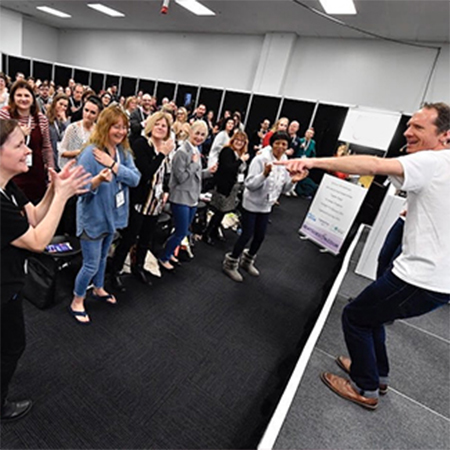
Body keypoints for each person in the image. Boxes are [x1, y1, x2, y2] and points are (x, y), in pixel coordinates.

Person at [278, 102, 450, 410]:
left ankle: (366, 387)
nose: (408, 132)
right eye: (409, 125)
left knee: (355, 316)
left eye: (419, 128)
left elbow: (373, 164)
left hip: (420, 277)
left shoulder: (432, 161)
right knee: (375, 316)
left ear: (445, 137)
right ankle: (376, 373)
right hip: (437, 281)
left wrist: (313, 161)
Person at [0, 118, 90, 422]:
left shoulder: (7, 187)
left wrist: (54, 189)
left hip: (9, 283)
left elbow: (35, 217)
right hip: (3, 289)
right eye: (19, 145)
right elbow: (38, 241)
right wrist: (63, 197)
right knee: (12, 347)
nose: (28, 150)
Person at [70, 106, 141, 324]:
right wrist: (98, 180)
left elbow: (135, 179)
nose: (120, 132)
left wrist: (113, 165)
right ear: (105, 127)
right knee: (90, 263)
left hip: (112, 217)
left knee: (102, 258)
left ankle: (98, 288)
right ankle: (76, 301)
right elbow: (79, 188)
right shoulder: (90, 153)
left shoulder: (123, 153)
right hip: (92, 217)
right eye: (115, 127)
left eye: (123, 127)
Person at [222, 131, 306, 282]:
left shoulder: (285, 162)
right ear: (271, 144)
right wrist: (264, 175)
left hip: (267, 205)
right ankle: (230, 263)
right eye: (277, 143)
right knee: (247, 234)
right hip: (251, 204)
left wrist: (294, 180)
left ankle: (247, 261)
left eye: (284, 144)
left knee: (260, 236)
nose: (280, 147)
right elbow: (249, 184)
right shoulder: (260, 159)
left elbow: (284, 189)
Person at [111, 111, 174, 290]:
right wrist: (161, 154)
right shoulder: (140, 144)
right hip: (140, 200)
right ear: (151, 125)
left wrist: (166, 190)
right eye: (158, 124)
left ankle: (138, 267)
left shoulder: (166, 147)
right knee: (129, 238)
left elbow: (166, 173)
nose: (161, 128)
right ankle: (115, 271)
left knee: (146, 238)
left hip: (155, 201)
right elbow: (146, 173)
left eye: (165, 126)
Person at [159, 120, 217, 271]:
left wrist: (209, 172)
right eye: (197, 133)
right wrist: (192, 164)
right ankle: (164, 257)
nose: (199, 137)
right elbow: (180, 177)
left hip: (192, 197)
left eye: (203, 135)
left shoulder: (196, 150)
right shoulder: (182, 152)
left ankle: (170, 252)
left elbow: (195, 175)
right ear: (190, 132)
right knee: (181, 232)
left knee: (183, 231)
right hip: (180, 198)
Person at [0, 80, 54, 203]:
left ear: (32, 98)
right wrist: (19, 134)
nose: (23, 99)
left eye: (26, 95)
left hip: (36, 172)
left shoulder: (41, 118)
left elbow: (46, 147)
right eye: (19, 95)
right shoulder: (5, 115)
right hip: (12, 174)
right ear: (13, 97)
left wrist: (51, 170)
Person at [203, 131, 249, 245]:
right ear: (233, 140)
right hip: (223, 186)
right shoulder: (227, 151)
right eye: (237, 140)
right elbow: (228, 168)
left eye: (242, 141)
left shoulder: (240, 153)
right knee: (219, 210)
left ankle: (214, 231)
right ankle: (207, 233)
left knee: (224, 211)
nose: (239, 143)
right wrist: (240, 160)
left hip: (234, 187)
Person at [46, 94, 70, 171]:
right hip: (51, 155)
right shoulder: (47, 119)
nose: (62, 107)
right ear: (55, 103)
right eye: (61, 104)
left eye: (65, 106)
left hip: (61, 157)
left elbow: (70, 135)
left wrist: (64, 120)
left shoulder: (65, 121)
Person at [295, 127, 318, 198]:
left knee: (302, 175)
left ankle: (301, 191)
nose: (309, 134)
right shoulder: (300, 140)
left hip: (306, 162)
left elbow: (313, 153)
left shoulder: (313, 143)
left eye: (311, 134)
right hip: (298, 160)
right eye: (308, 133)